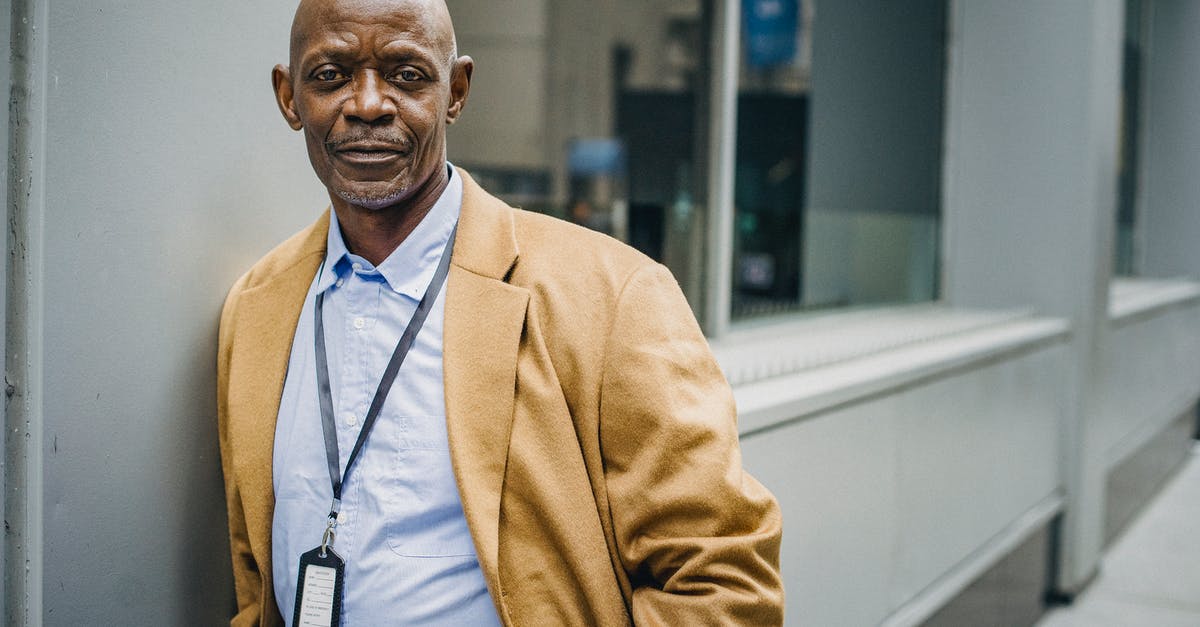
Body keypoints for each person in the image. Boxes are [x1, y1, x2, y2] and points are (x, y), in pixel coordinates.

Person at [216, 0, 784, 624]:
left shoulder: (613, 295)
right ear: (289, 97)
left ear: (456, 91)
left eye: (406, 75)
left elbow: (723, 580)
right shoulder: (257, 309)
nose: (369, 104)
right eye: (331, 76)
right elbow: (255, 584)